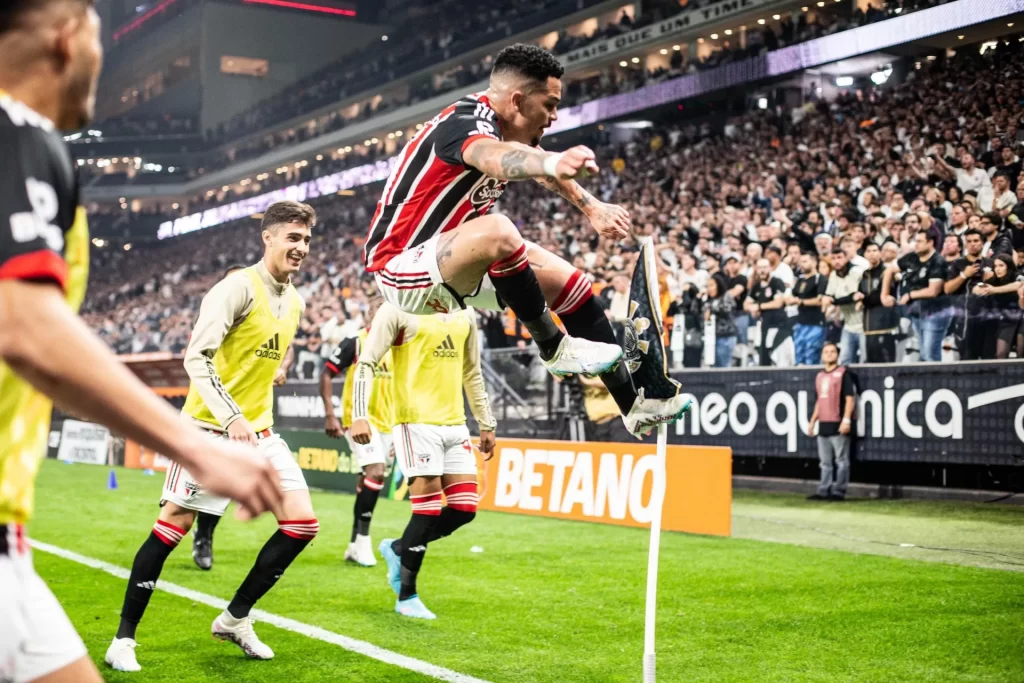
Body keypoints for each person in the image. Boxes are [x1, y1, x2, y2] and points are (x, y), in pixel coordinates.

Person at [0, 3, 281, 682]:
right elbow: (24, 325)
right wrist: (194, 444)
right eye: (101, 37)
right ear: (68, 37)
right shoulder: (20, 137)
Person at [362, 43, 688, 437]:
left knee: (570, 282)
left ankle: (634, 405)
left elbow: (534, 165)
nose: (553, 117)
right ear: (517, 100)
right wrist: (551, 161)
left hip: (452, 262)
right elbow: (491, 157)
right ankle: (553, 347)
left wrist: (592, 207)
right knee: (500, 230)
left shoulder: (504, 128)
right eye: (549, 105)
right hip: (399, 266)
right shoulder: (466, 123)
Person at [106, 202, 322, 672]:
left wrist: (275, 374)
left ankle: (234, 619)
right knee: (172, 529)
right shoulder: (236, 287)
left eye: (306, 239)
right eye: (292, 237)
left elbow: (258, 356)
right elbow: (197, 358)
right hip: (209, 430)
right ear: (267, 238)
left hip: (259, 431)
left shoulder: (297, 300)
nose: (301, 248)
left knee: (302, 524)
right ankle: (123, 638)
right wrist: (231, 418)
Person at [350, 302, 496, 620]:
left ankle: (398, 548)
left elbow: (472, 371)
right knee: (427, 510)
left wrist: (486, 421)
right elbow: (366, 363)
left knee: (464, 510)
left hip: (455, 424)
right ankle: (407, 595)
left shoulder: (465, 312)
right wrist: (358, 414)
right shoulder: (398, 308)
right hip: (413, 423)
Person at [319, 297, 394, 567]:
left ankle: (353, 544)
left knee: (368, 480)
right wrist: (331, 414)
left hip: (388, 424)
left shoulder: (399, 347)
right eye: (378, 311)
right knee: (375, 471)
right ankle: (363, 541)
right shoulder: (356, 342)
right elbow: (327, 374)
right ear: (369, 315)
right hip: (360, 421)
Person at [883, 230, 949, 362]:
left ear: (930, 242)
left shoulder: (938, 261)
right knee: (924, 353)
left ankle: (937, 381)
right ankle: (929, 381)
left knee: (930, 353)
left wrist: (910, 294)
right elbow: (890, 269)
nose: (915, 244)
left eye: (919, 241)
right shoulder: (911, 257)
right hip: (916, 313)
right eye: (915, 241)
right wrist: (884, 294)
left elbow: (933, 291)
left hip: (934, 313)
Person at [807, 342, 855, 502]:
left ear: (837, 354)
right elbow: (819, 401)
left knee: (841, 461)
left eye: (832, 351)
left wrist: (846, 420)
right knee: (825, 462)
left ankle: (839, 491)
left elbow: (849, 399)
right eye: (826, 352)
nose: (829, 354)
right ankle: (824, 490)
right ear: (821, 355)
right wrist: (813, 421)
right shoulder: (819, 376)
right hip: (824, 425)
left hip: (838, 423)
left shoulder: (843, 374)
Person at [945, 229, 992, 360]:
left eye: (976, 241)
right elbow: (948, 289)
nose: (972, 244)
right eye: (969, 241)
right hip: (966, 318)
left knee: (989, 360)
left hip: (989, 316)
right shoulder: (957, 264)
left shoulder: (991, 264)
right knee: (967, 357)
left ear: (983, 243)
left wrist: (991, 279)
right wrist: (964, 275)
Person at [973, 254, 1024, 358]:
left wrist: (994, 290)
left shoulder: (1017, 275)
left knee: (1021, 351)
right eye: (995, 266)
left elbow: (1018, 285)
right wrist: (980, 290)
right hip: (1007, 320)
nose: (997, 269)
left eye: (1001, 266)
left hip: (1021, 318)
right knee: (1000, 353)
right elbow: (977, 288)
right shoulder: (994, 280)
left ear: (1008, 266)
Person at [744, 258, 790, 366]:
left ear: (770, 268)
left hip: (778, 326)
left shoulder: (776, 282)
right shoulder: (757, 286)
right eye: (760, 268)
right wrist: (753, 308)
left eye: (765, 267)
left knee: (778, 358)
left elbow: (778, 303)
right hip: (764, 326)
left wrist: (759, 306)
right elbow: (746, 304)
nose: (762, 271)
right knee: (763, 357)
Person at [823, 248, 864, 366]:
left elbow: (856, 296)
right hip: (848, 325)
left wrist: (836, 301)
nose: (836, 261)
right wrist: (835, 301)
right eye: (833, 258)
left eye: (839, 258)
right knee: (845, 359)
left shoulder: (856, 272)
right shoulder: (833, 275)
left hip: (863, 325)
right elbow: (829, 296)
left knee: (864, 360)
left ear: (846, 258)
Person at [859, 243, 898, 363]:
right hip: (868, 325)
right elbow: (859, 293)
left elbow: (881, 296)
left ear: (880, 253)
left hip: (884, 324)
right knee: (871, 362)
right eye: (869, 251)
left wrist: (863, 299)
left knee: (885, 362)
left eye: (875, 250)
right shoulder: (864, 274)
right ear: (865, 254)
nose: (872, 254)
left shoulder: (887, 272)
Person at [787, 252, 827, 365]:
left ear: (814, 262)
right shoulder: (800, 280)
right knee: (799, 356)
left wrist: (800, 302)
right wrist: (789, 300)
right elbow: (793, 295)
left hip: (815, 324)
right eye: (801, 262)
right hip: (800, 323)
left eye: (805, 262)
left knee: (812, 356)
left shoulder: (820, 279)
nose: (802, 265)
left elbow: (820, 300)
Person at [702, 275, 737, 367]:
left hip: (726, 336)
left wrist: (712, 309)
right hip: (712, 337)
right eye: (707, 286)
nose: (709, 288)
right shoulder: (708, 300)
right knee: (713, 366)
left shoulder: (726, 296)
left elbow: (727, 309)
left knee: (724, 366)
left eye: (712, 285)